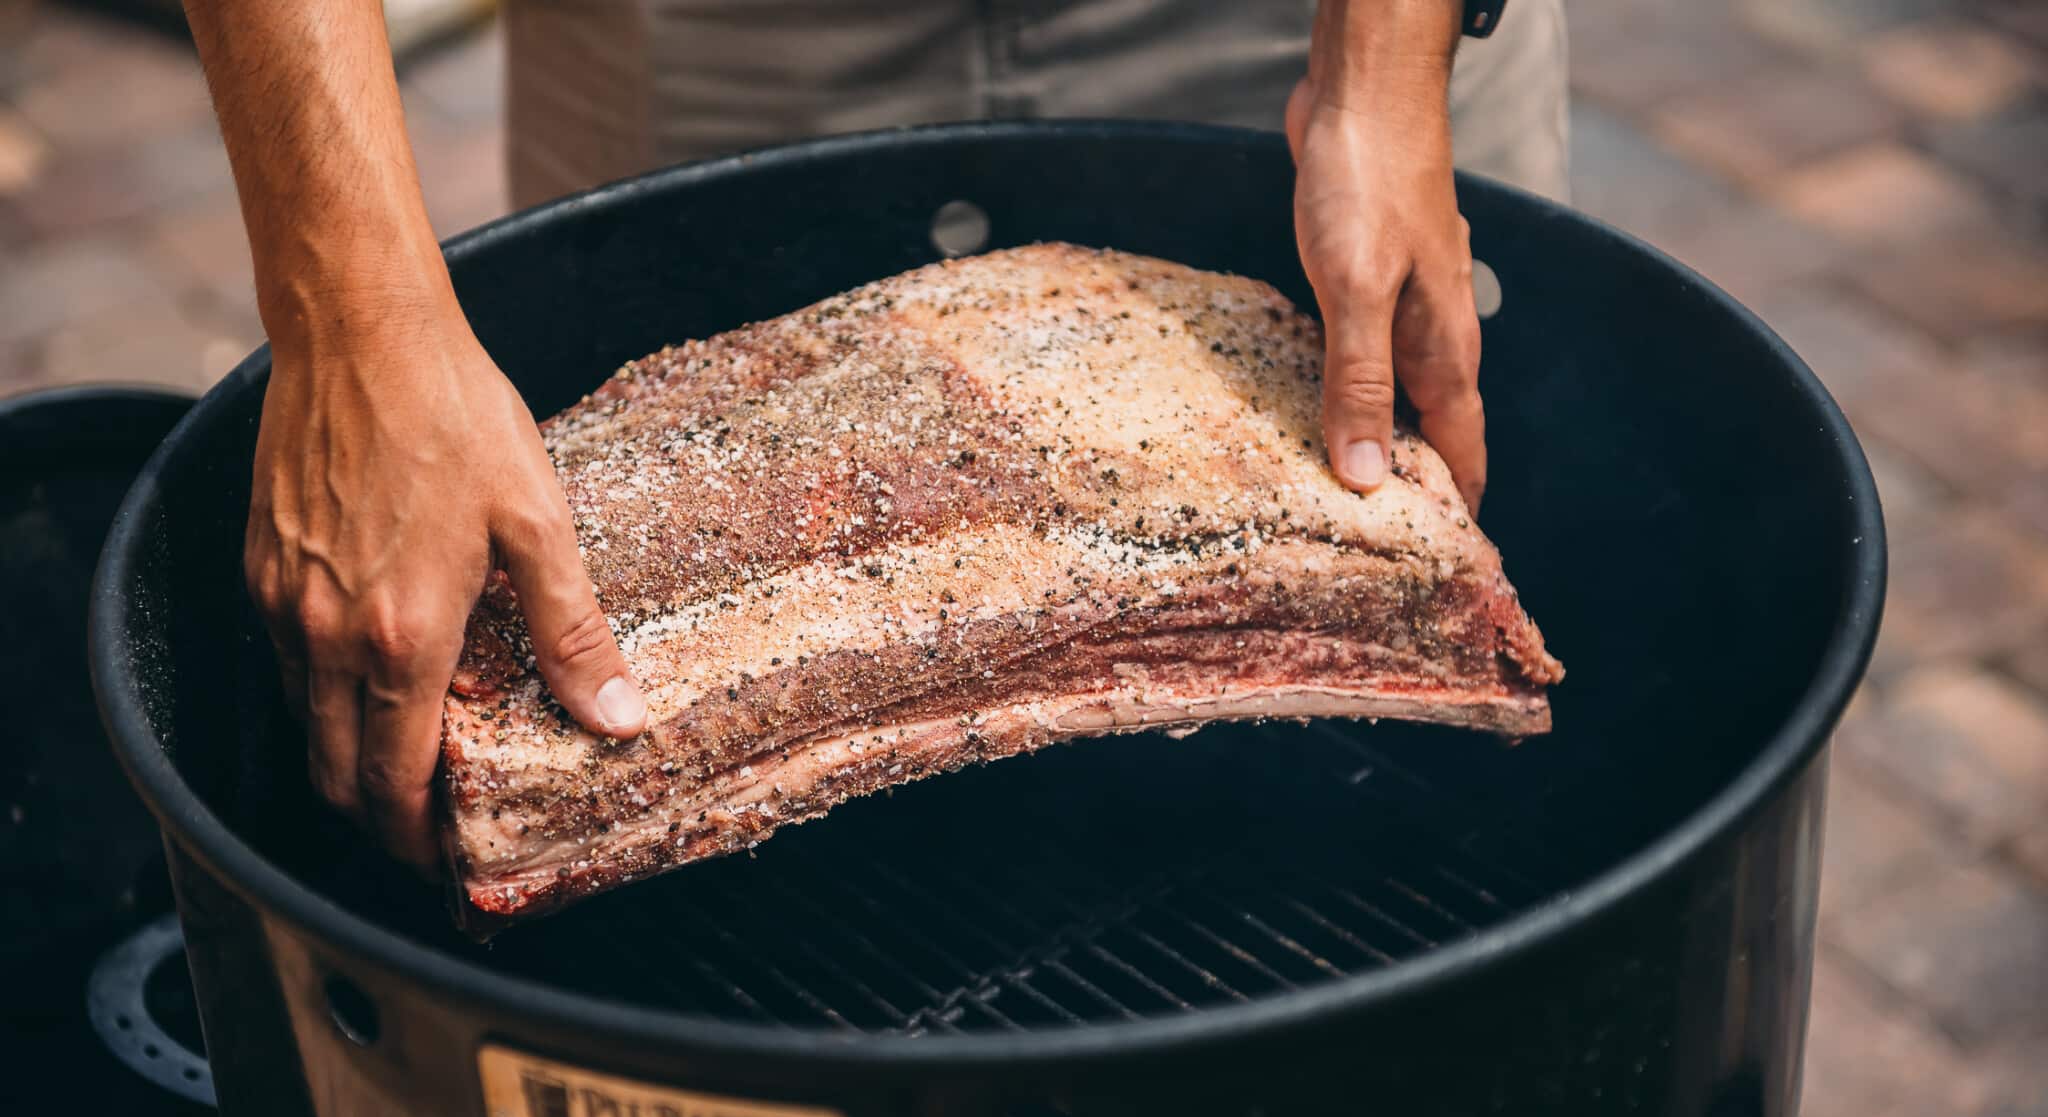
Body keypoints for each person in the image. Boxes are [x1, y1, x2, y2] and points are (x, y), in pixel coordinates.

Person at [180, 0, 1568, 875]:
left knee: (1406, 579)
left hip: (1279, 28)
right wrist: (351, 314)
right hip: (716, 36)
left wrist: (1389, 63)